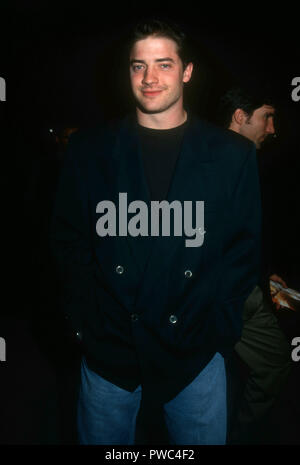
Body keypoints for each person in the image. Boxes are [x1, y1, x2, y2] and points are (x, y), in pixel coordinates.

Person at [49, 20, 261, 445]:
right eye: (138, 66)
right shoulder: (89, 150)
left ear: (186, 72)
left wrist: (219, 333)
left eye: (163, 64)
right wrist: (84, 327)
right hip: (110, 352)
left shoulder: (232, 155)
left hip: (195, 354)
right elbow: (69, 242)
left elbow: (243, 252)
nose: (149, 78)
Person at [218, 87, 292, 444]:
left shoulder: (248, 161)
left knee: (274, 364)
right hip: (216, 299)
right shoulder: (211, 160)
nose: (273, 128)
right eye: (267, 116)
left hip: (247, 293)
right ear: (240, 116)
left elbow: (243, 233)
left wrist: (265, 273)